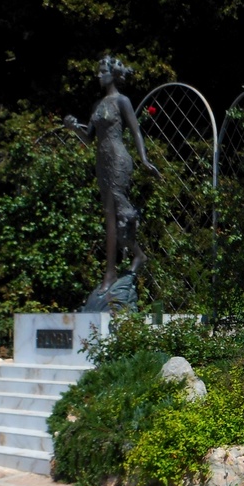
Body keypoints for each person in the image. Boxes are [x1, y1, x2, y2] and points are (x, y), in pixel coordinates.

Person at [64, 56, 159, 303]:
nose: (99, 75)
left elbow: (136, 131)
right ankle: (129, 260)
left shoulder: (122, 101)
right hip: (102, 162)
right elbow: (89, 138)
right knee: (109, 216)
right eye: (98, 71)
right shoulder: (98, 104)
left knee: (118, 213)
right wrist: (74, 128)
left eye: (102, 71)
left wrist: (144, 159)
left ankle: (114, 271)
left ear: (113, 74)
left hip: (117, 159)